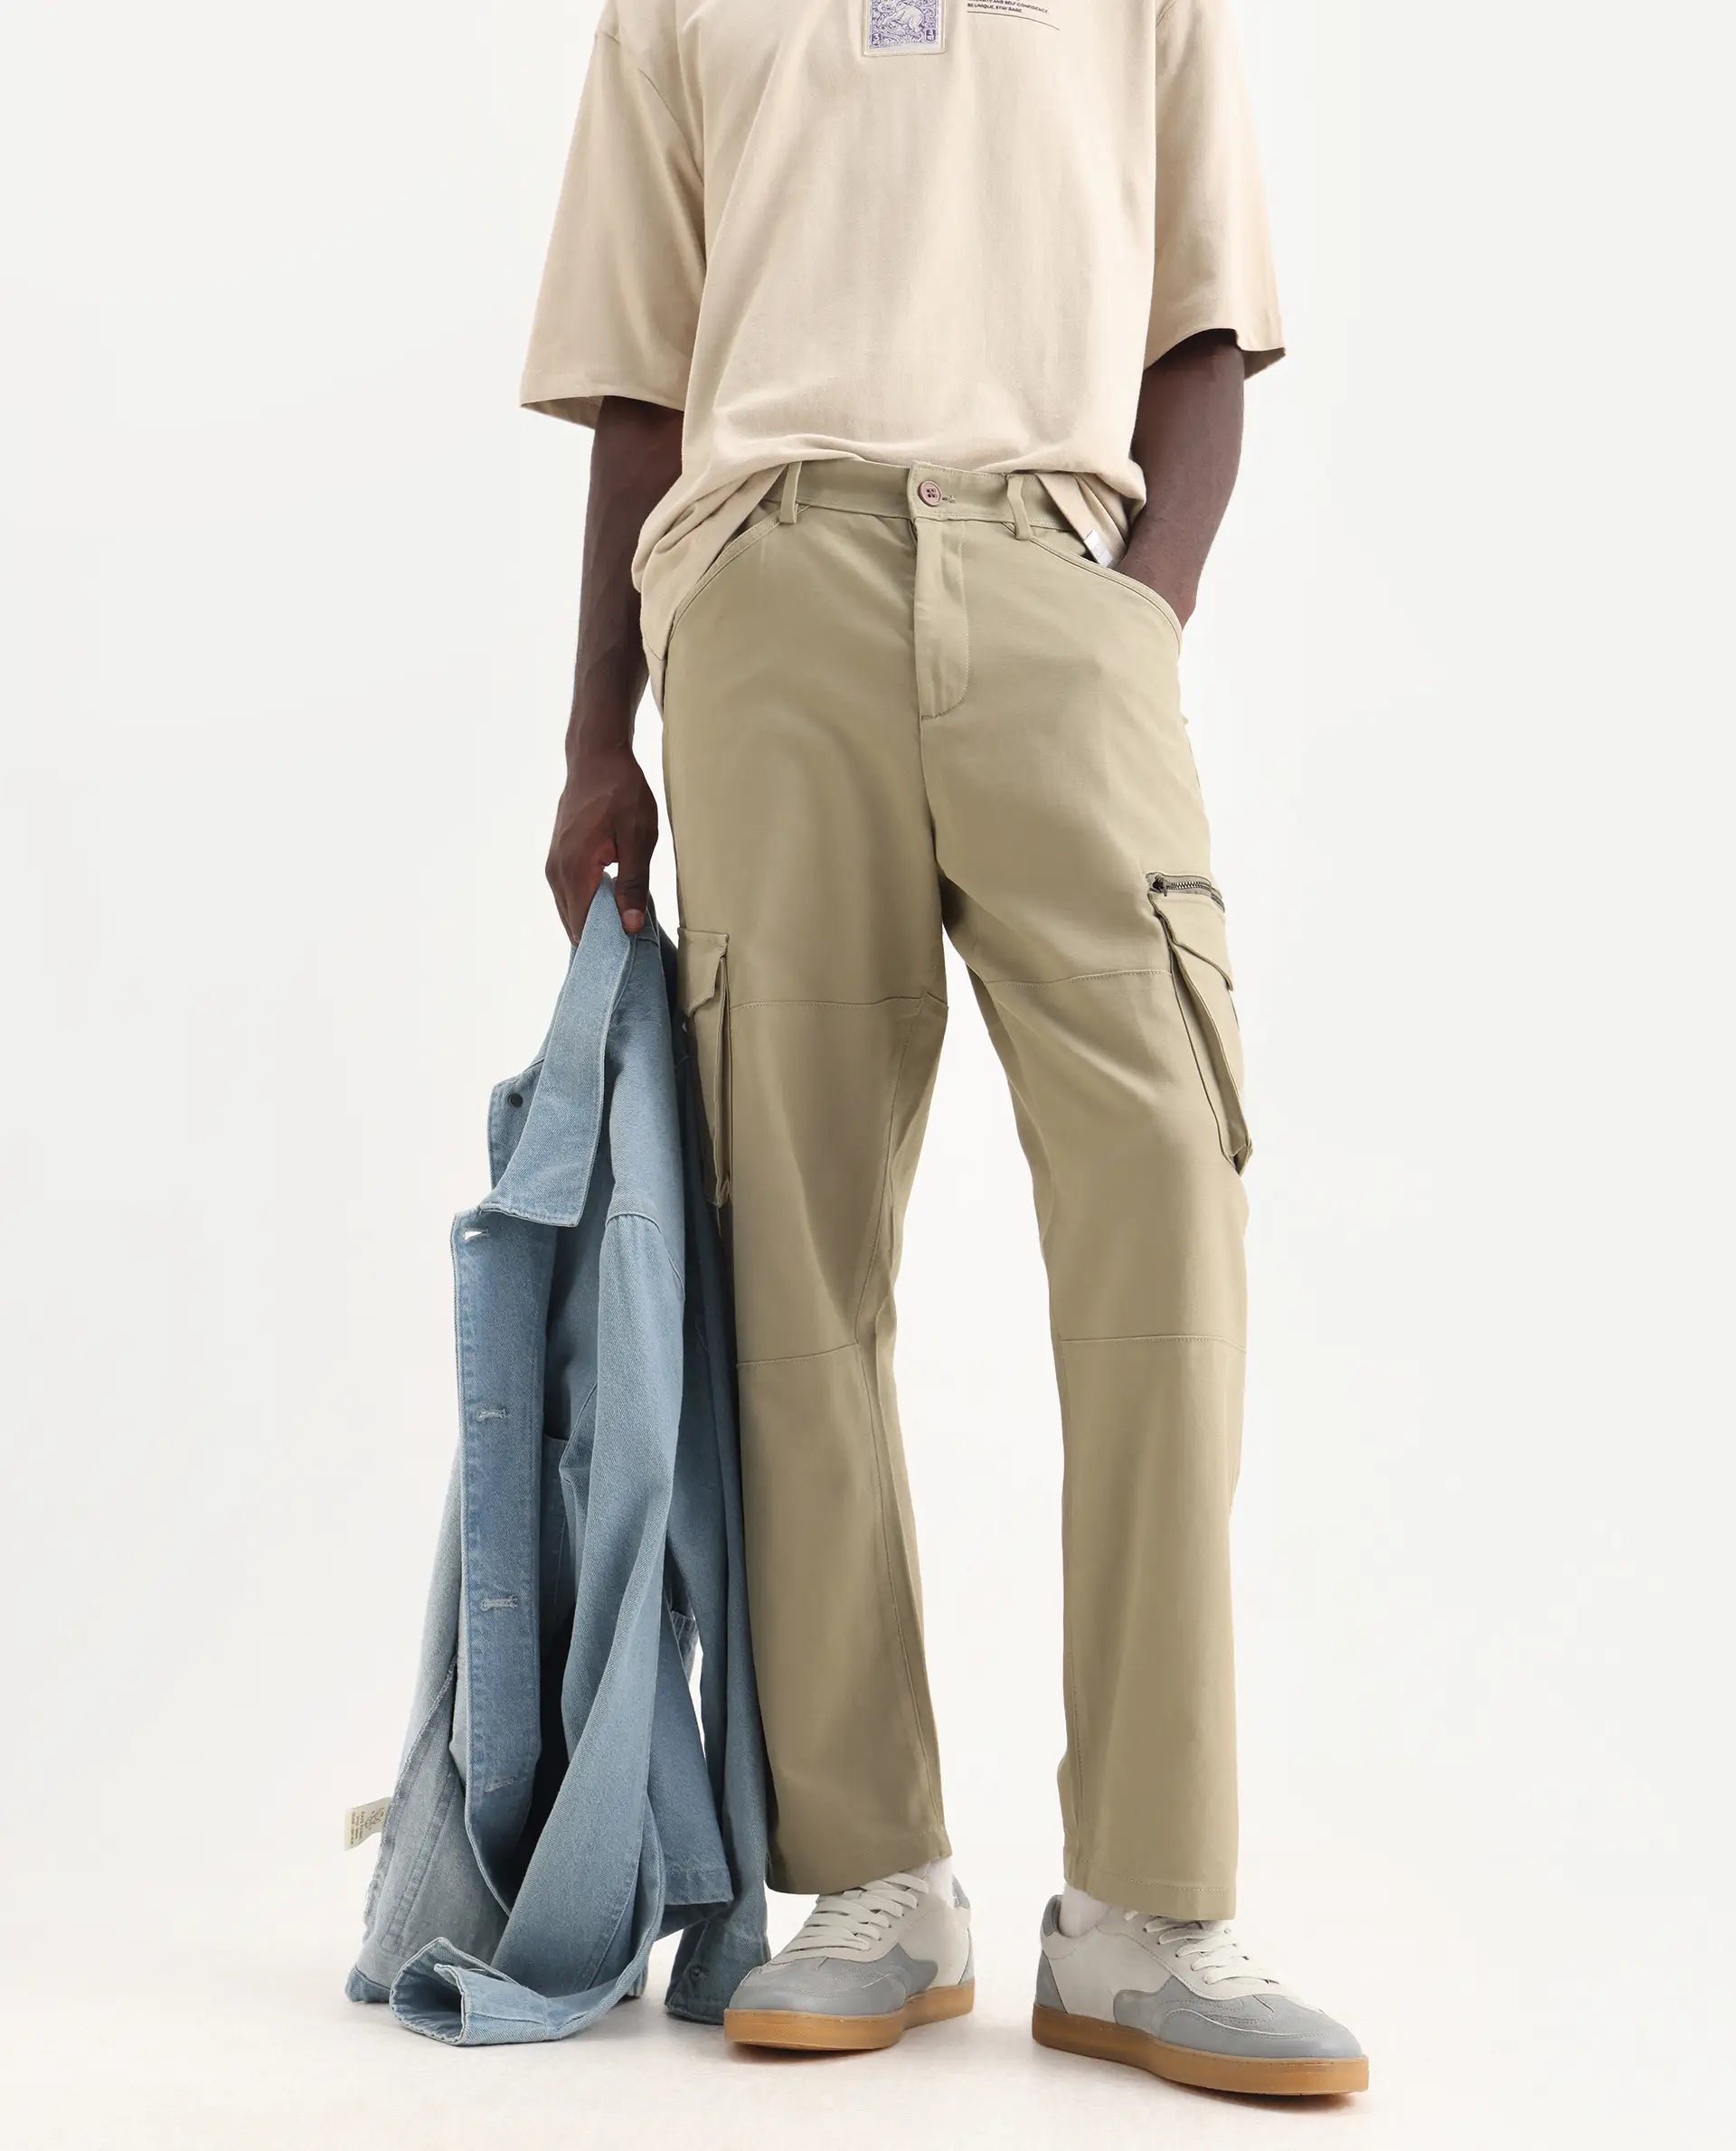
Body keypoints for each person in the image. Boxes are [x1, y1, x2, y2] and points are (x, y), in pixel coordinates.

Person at [524, 0, 1366, 2098]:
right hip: (763, 592)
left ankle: (1149, 1908)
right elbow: (643, 378)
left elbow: (1202, 331)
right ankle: (873, 1877)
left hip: (1055, 580)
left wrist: (1135, 614)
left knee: (1165, 1202)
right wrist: (597, 734)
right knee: (790, 1258)